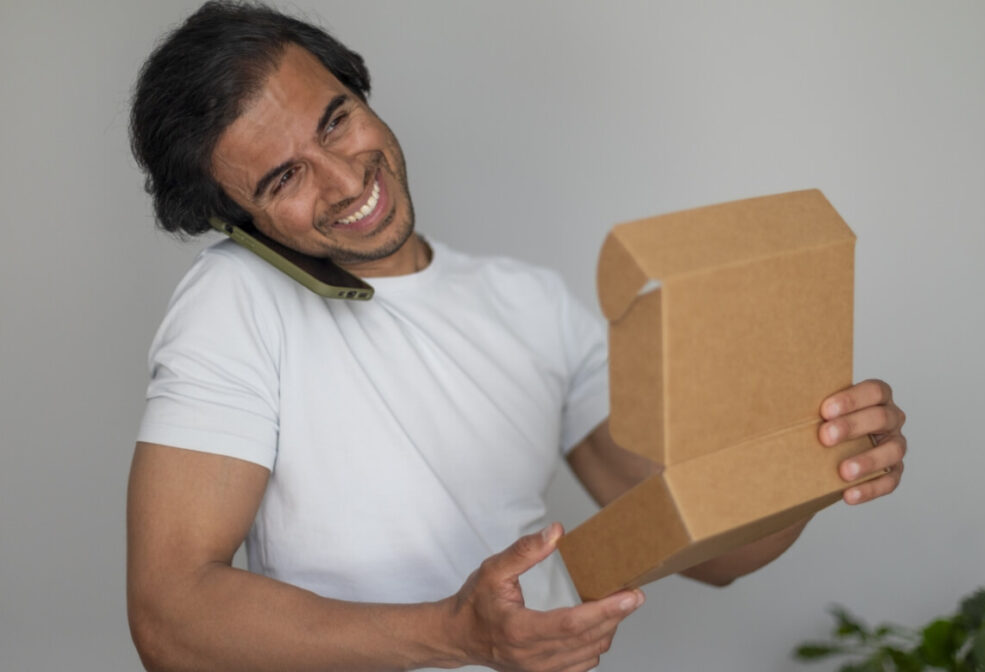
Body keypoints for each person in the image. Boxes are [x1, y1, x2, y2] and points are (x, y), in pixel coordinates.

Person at [126, 3, 908, 671]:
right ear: (240, 222)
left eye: (336, 121)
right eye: (284, 178)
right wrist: (455, 633)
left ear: (360, 92)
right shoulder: (235, 298)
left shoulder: (531, 304)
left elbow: (707, 543)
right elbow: (170, 617)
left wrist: (818, 462)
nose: (344, 178)